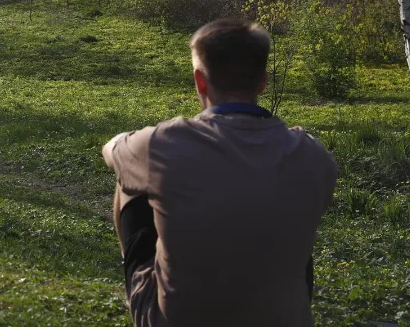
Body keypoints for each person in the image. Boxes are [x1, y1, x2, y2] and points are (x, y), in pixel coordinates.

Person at [101, 18, 338, 327]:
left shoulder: (162, 144)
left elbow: (111, 150)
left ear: (200, 81)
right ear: (263, 81)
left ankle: (153, 290)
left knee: (129, 183)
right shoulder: (314, 155)